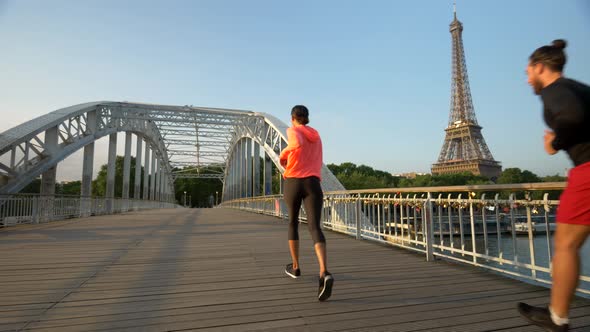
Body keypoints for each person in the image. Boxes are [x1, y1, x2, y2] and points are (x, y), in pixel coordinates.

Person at [518, 39, 590, 331]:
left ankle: (557, 316)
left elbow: (572, 117)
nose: (527, 79)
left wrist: (555, 142)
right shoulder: (581, 88)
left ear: (540, 67)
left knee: (565, 245)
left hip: (587, 171)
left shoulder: (554, 90)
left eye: (528, 72)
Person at [279, 105, 334, 301]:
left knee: (293, 222)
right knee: (314, 227)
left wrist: (283, 154)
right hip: (313, 183)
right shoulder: (317, 137)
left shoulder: (293, 130)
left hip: (293, 182)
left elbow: (294, 144)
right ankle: (324, 272)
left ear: (293, 118)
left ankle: (295, 267)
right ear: (307, 118)